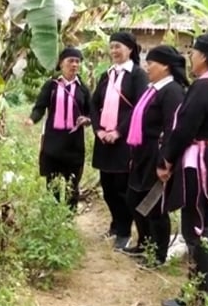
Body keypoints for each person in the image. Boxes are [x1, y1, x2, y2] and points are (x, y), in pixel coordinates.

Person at [156, 32, 208, 306]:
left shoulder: (203, 87)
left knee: (196, 227)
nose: (190, 56)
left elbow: (183, 129)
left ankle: (196, 296)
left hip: (200, 162)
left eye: (194, 51)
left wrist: (166, 160)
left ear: (205, 56)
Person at [123, 45, 188, 266]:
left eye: (150, 63)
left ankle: (158, 255)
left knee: (154, 206)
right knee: (134, 199)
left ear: (165, 66)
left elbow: (173, 128)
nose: (146, 67)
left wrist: (165, 161)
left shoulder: (173, 91)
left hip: (157, 153)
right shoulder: (153, 89)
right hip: (142, 153)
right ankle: (143, 242)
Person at [90, 32, 148, 249]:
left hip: (124, 141)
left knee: (122, 188)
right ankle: (116, 224)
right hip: (104, 139)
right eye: (112, 46)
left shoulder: (138, 76)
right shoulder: (107, 75)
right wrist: (98, 130)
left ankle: (124, 231)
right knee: (107, 188)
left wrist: (119, 132)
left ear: (130, 49)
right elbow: (94, 104)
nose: (114, 51)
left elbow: (139, 109)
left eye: (119, 47)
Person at [25, 47, 91, 211]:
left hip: (74, 143)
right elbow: (40, 107)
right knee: (52, 183)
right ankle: (53, 216)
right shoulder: (52, 86)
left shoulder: (83, 88)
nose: (74, 65)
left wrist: (88, 119)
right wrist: (31, 119)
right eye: (71, 61)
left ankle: (69, 217)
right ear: (61, 64)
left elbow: (92, 112)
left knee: (72, 184)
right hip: (53, 142)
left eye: (77, 61)